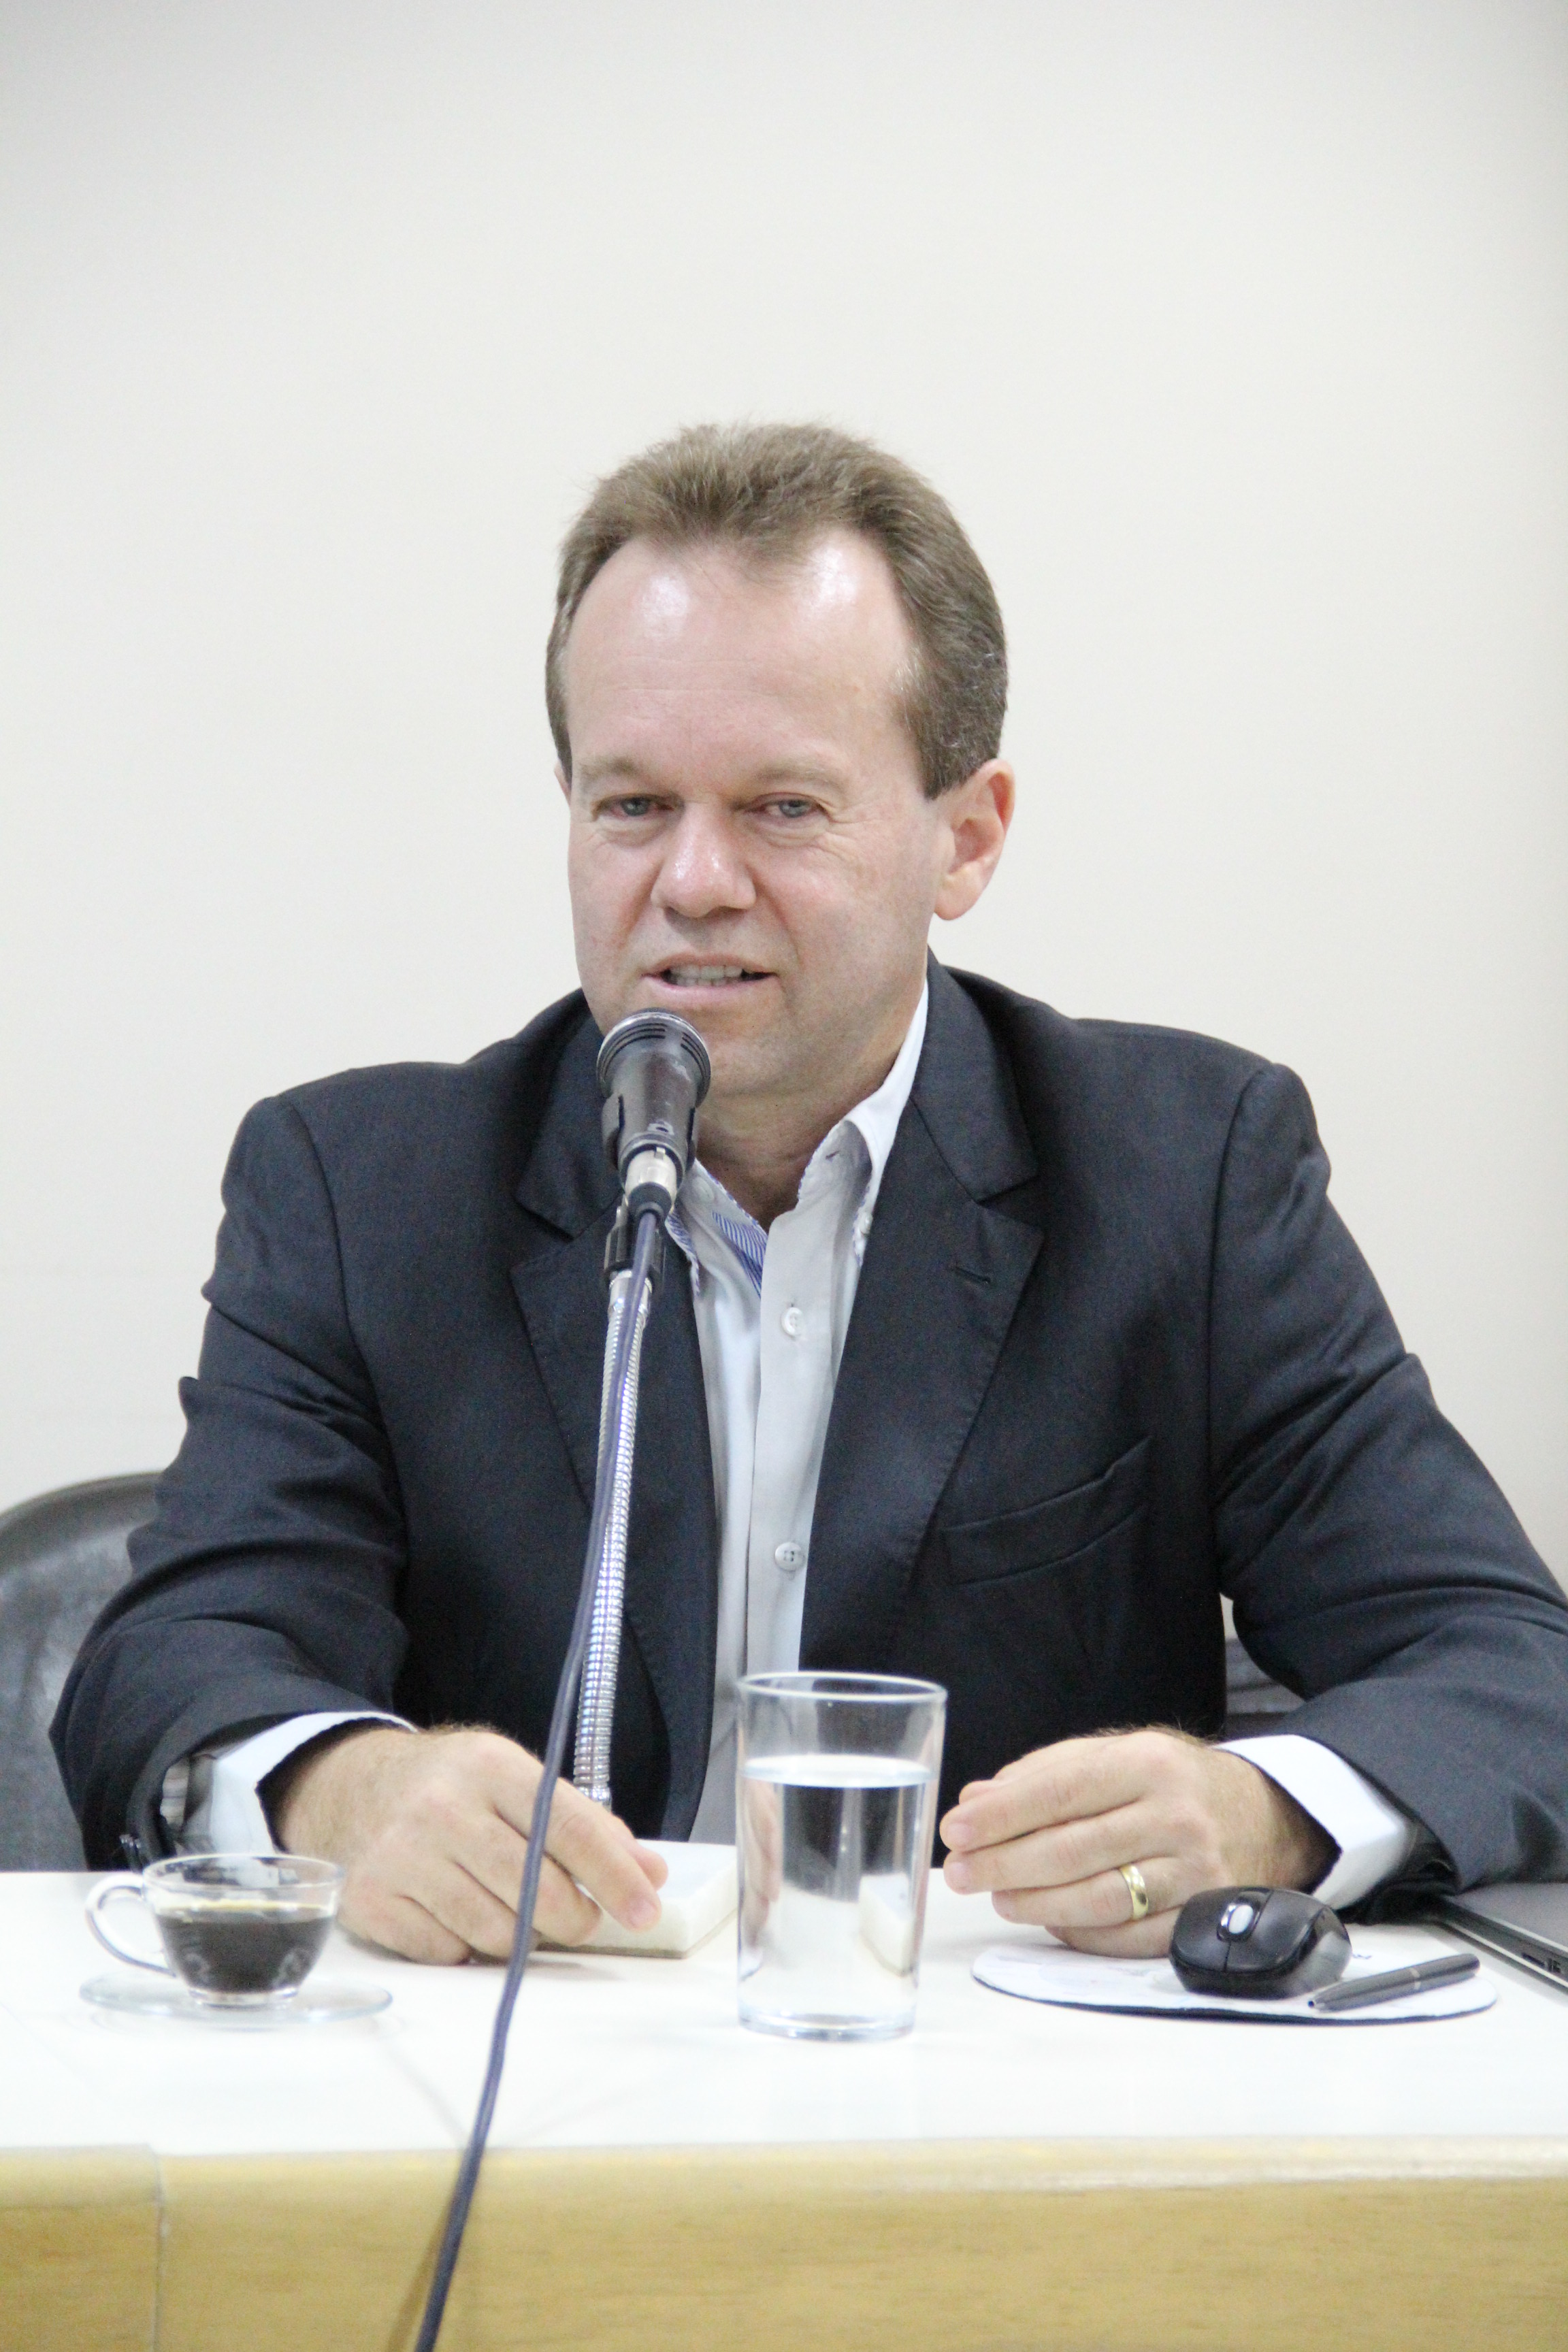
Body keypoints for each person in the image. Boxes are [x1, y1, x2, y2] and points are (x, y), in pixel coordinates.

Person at [54, 423, 1568, 1967]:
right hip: (517, 2051)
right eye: (632, 806)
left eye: (783, 808)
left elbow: (1512, 1665)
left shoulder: (1185, 1174)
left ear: (965, 839)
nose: (693, 882)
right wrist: (341, 1790)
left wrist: (1263, 1815)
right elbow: (170, 1663)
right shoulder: (362, 1191)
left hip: (986, 2072)